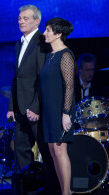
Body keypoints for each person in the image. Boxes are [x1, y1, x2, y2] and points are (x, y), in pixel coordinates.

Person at [7, 5, 58, 194]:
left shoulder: (42, 43)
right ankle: (29, 188)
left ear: (37, 21)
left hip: (37, 108)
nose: (20, 21)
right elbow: (17, 78)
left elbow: (42, 78)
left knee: (45, 150)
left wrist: (36, 107)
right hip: (20, 108)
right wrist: (12, 106)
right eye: (19, 18)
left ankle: (54, 188)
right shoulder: (18, 44)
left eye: (25, 18)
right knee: (21, 148)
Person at [40, 17, 75, 195]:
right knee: (53, 150)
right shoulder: (49, 55)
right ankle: (64, 190)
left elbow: (69, 86)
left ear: (58, 33)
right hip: (48, 111)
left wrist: (66, 113)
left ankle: (67, 192)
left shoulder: (65, 55)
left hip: (61, 110)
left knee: (60, 150)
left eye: (48, 30)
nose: (44, 33)